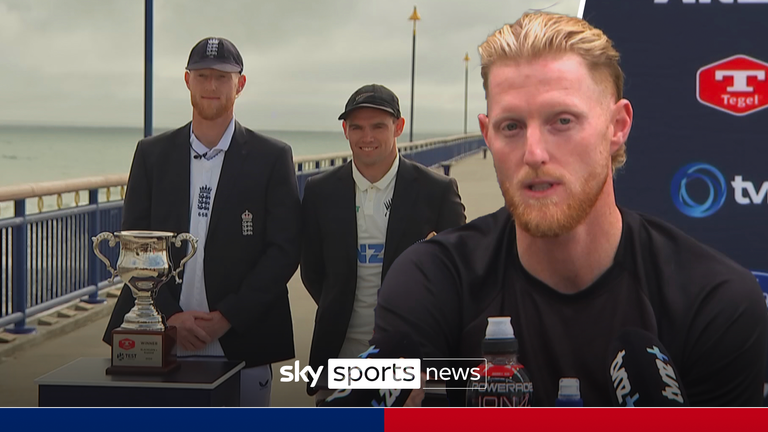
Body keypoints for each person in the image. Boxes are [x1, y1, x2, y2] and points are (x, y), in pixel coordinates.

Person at [371, 12, 768, 406]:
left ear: (617, 126)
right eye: (511, 126)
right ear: (487, 135)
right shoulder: (430, 280)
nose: (534, 153)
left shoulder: (716, 302)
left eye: (562, 120)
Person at [103, 37, 301, 407]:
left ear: (240, 85)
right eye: (203, 75)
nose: (212, 86)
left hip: (244, 339)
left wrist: (228, 316)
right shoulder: (151, 154)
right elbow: (133, 241)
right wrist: (170, 316)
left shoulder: (272, 157)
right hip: (161, 338)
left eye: (223, 77)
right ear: (187, 80)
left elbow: (285, 250)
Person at [300, 83, 467, 404]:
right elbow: (312, 271)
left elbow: (459, 275)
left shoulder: (437, 190)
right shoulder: (320, 191)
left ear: (398, 127)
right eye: (357, 128)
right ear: (345, 131)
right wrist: (340, 306)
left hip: (413, 359)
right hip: (340, 357)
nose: (367, 137)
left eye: (379, 126)